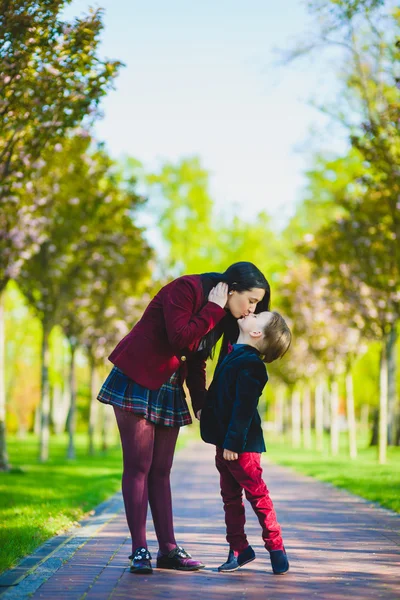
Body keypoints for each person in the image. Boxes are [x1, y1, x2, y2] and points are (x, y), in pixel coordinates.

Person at [97, 262, 270, 574]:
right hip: (137, 377)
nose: (251, 310)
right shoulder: (186, 289)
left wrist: (201, 404)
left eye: (257, 304)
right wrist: (214, 309)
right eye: (251, 300)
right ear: (231, 289)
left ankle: (168, 549)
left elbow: (197, 357)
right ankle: (139, 550)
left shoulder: (221, 315)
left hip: (170, 387)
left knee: (162, 470)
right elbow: (179, 338)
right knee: (139, 466)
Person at [200, 310, 292, 575]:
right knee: (230, 497)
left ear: (256, 333)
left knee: (257, 494)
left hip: (241, 446)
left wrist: (233, 443)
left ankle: (276, 547)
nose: (251, 311)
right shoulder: (233, 354)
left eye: (258, 314)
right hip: (225, 442)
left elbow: (243, 408)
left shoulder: (251, 364)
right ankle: (239, 548)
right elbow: (224, 396)